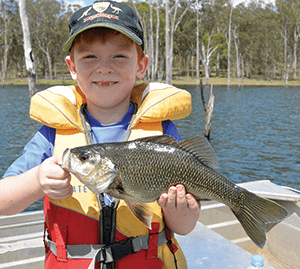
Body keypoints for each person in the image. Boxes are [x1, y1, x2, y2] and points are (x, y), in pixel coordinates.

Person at [0, 1, 200, 268]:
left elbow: (184, 227)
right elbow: (4, 201)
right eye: (90, 57)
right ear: (72, 67)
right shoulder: (52, 134)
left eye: (119, 56)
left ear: (141, 65)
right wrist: (38, 179)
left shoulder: (163, 132)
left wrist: (179, 210)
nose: (104, 68)